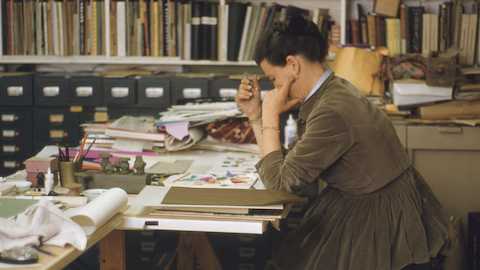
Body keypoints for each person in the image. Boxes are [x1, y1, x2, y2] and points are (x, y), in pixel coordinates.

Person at [235, 15, 449, 270]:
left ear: (292, 65)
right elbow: (290, 172)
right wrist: (257, 117)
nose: (274, 87)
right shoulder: (333, 90)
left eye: (272, 78)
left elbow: (282, 183)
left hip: (378, 218)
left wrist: (268, 115)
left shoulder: (331, 110)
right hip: (370, 203)